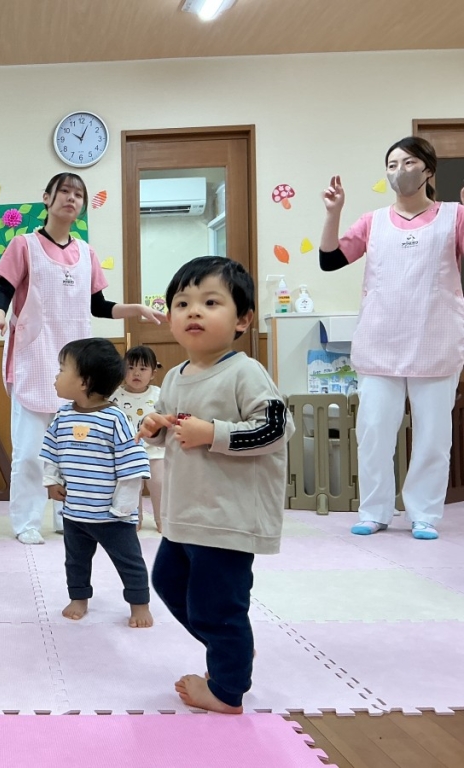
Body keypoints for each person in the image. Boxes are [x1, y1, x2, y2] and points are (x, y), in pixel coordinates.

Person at [137, 256, 293, 714]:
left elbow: (276, 428)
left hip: (228, 516)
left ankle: (227, 691)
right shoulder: (174, 376)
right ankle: (232, 649)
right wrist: (155, 423)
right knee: (167, 581)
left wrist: (214, 433)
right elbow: (170, 424)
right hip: (187, 514)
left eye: (210, 302)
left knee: (216, 606)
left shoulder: (245, 372)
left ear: (242, 320)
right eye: (181, 303)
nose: (193, 311)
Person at [0, 172, 166, 545]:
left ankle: (68, 513)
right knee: (32, 450)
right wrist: (0, 316)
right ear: (47, 198)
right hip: (34, 362)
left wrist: (132, 308)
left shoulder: (86, 253)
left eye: (78, 194)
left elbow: (98, 305)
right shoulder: (24, 245)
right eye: (64, 191)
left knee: (74, 446)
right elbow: (4, 289)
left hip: (76, 367)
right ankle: (27, 521)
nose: (71, 198)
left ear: (82, 205)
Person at [319, 136, 464, 540]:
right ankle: (375, 510)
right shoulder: (372, 221)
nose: (399, 170)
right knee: (373, 432)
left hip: (435, 343)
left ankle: (424, 514)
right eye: (392, 163)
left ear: (429, 171)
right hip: (381, 344)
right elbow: (330, 260)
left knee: (434, 437)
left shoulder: (455, 216)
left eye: (409, 162)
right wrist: (334, 213)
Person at [41, 338, 153, 628]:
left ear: (84, 382)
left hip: (112, 515)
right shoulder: (62, 416)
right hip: (76, 512)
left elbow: (132, 467)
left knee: (129, 561)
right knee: (75, 561)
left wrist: (123, 508)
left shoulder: (115, 419)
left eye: (62, 369)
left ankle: (139, 603)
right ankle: (79, 598)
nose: (56, 376)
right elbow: (52, 452)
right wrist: (51, 480)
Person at [112, 345, 164, 532]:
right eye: (131, 368)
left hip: (156, 452)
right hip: (128, 452)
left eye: (142, 369)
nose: (136, 373)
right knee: (132, 487)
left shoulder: (159, 394)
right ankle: (135, 519)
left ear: (153, 373)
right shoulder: (115, 395)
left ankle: (161, 520)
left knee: (160, 484)